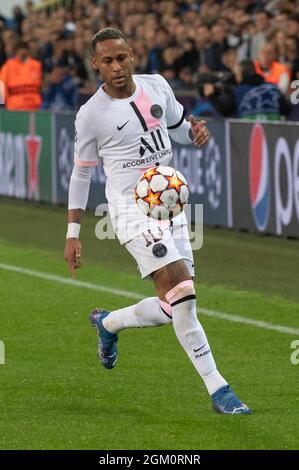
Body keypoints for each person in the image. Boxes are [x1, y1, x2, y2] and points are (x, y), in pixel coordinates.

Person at [64, 28, 252, 415]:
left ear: (132, 55)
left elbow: (179, 128)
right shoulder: (91, 116)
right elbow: (81, 174)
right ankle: (219, 390)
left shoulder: (158, 86)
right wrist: (73, 233)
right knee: (183, 291)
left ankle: (108, 323)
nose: (117, 67)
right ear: (95, 65)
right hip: (132, 211)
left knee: (176, 308)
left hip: (170, 202)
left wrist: (193, 134)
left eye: (122, 58)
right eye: (107, 61)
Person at [203, 59, 290, 120]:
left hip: (250, 137)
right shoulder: (273, 88)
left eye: (236, 75)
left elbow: (224, 110)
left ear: (241, 74)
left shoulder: (239, 92)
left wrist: (211, 96)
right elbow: (286, 110)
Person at [0, 40, 42, 111]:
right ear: (16, 51)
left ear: (28, 50)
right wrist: (1, 104)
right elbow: (1, 85)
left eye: (24, 49)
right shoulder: (8, 66)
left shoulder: (36, 65)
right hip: (15, 107)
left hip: (34, 106)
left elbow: (40, 85)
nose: (22, 51)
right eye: (19, 49)